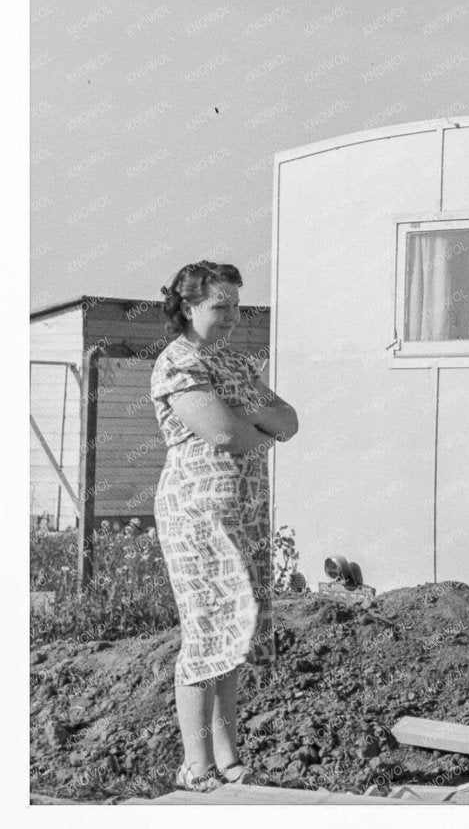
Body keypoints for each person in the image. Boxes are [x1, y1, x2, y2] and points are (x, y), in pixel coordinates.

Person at [150, 260, 298, 792]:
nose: (232, 315)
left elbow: (290, 421)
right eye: (220, 306)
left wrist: (249, 423)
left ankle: (227, 756)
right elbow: (222, 433)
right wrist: (254, 425)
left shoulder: (233, 361)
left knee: (234, 635)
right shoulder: (178, 362)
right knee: (205, 632)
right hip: (198, 516)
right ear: (187, 307)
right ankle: (195, 765)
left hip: (247, 515)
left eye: (236, 304)